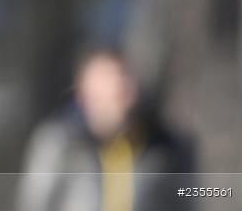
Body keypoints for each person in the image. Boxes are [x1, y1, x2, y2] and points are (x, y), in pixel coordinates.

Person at [16, 48, 194, 211]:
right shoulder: (59, 145)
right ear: (84, 94)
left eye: (126, 81)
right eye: (112, 87)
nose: (126, 93)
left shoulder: (166, 148)